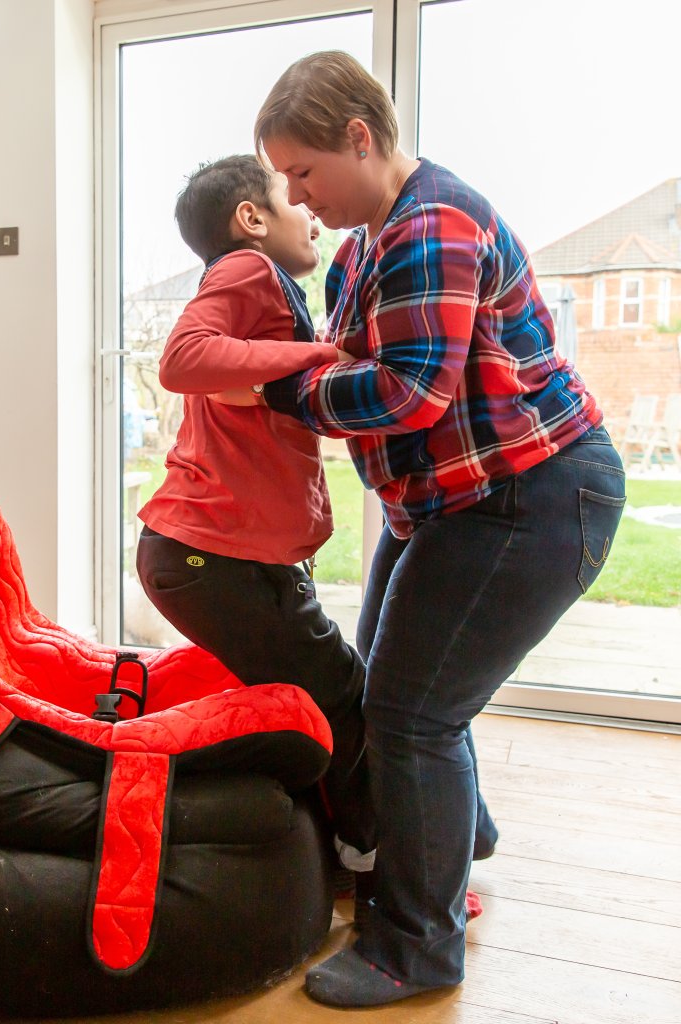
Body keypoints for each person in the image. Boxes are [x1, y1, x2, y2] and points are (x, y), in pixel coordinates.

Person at [212, 50, 626, 1007]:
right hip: (450, 501)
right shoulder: (364, 248)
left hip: (533, 495)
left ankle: (414, 947)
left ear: (362, 137)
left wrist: (276, 389)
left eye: (307, 172)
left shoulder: (431, 224)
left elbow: (406, 391)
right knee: (392, 692)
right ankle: (452, 836)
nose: (301, 198)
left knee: (410, 713)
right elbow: (340, 352)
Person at [135, 154, 377, 876]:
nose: (308, 209)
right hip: (205, 558)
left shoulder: (268, 296)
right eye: (290, 197)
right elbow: (181, 359)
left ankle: (325, 838)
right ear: (251, 219)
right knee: (340, 688)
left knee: (310, 687)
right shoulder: (248, 271)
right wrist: (319, 352)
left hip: (210, 557)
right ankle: (372, 854)